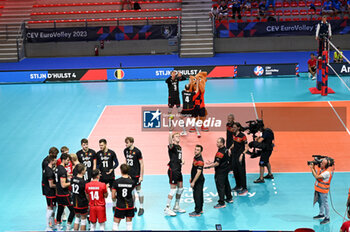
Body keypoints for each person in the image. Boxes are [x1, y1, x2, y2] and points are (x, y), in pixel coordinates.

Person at [205, 137, 233, 208]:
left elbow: (217, 163)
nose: (216, 143)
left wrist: (208, 167)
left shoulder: (220, 152)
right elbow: (222, 160)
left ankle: (221, 202)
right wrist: (212, 162)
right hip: (225, 170)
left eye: (218, 142)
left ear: (222, 143)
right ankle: (229, 198)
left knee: (220, 186)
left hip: (220, 172)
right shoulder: (226, 150)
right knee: (226, 184)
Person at [164, 132, 186, 216]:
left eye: (179, 136)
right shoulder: (172, 147)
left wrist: (181, 161)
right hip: (173, 170)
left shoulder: (179, 147)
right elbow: (169, 143)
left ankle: (176, 206)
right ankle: (167, 208)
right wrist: (170, 132)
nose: (178, 137)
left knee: (180, 189)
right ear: (173, 139)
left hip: (179, 170)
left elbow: (178, 157)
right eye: (176, 136)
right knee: (173, 190)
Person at [124, 137, 145, 216]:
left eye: (127, 142)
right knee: (131, 191)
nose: (126, 144)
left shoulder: (137, 151)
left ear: (132, 142)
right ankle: (134, 207)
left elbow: (141, 164)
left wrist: (141, 176)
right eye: (125, 143)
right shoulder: (125, 151)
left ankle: (141, 207)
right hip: (129, 175)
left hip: (136, 174)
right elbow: (126, 161)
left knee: (139, 190)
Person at [309, 158, 334, 224]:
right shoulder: (321, 170)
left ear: (326, 165)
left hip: (323, 191)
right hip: (318, 189)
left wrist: (311, 168)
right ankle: (321, 214)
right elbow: (314, 174)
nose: (320, 164)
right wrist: (313, 167)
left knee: (325, 204)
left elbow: (317, 177)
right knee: (320, 203)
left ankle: (327, 217)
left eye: (322, 163)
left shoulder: (326, 173)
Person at [112, 164, 136, 231]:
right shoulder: (132, 182)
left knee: (115, 224)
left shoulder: (116, 182)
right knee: (129, 225)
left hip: (120, 205)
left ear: (121, 170)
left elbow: (113, 196)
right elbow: (133, 195)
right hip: (130, 205)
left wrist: (118, 197)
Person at [56, 153, 75, 230]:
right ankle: (68, 226)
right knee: (73, 210)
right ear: (63, 160)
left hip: (58, 194)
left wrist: (68, 175)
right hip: (64, 194)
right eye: (67, 160)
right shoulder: (63, 170)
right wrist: (71, 182)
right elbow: (63, 185)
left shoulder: (57, 168)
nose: (68, 162)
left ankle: (58, 226)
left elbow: (60, 177)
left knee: (60, 210)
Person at [228, 122, 249, 196]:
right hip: (234, 155)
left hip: (240, 155)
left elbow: (247, 147)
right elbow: (234, 143)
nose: (233, 128)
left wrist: (242, 154)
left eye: (234, 127)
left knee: (241, 172)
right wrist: (230, 149)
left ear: (238, 128)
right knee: (235, 171)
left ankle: (244, 188)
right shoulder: (234, 135)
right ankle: (238, 186)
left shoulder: (243, 136)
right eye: (233, 127)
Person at [71, 164, 89, 231]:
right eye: (84, 169)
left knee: (77, 217)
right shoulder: (83, 182)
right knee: (83, 219)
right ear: (82, 171)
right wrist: (89, 201)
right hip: (82, 202)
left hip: (75, 201)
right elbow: (86, 194)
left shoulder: (72, 179)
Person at [189, 145, 205, 217]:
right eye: (195, 149)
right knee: (199, 194)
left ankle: (197, 211)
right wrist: (191, 178)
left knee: (197, 195)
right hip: (196, 179)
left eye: (198, 150)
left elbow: (198, 172)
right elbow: (193, 169)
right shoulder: (195, 157)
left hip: (198, 180)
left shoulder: (200, 161)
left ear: (201, 151)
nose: (196, 151)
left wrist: (193, 181)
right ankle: (200, 209)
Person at [42, 155, 57, 231]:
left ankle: (53, 225)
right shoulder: (49, 172)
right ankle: (47, 226)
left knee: (53, 209)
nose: (56, 161)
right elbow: (51, 185)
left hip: (50, 192)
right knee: (50, 209)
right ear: (52, 161)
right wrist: (59, 186)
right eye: (55, 160)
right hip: (50, 193)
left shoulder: (47, 169)